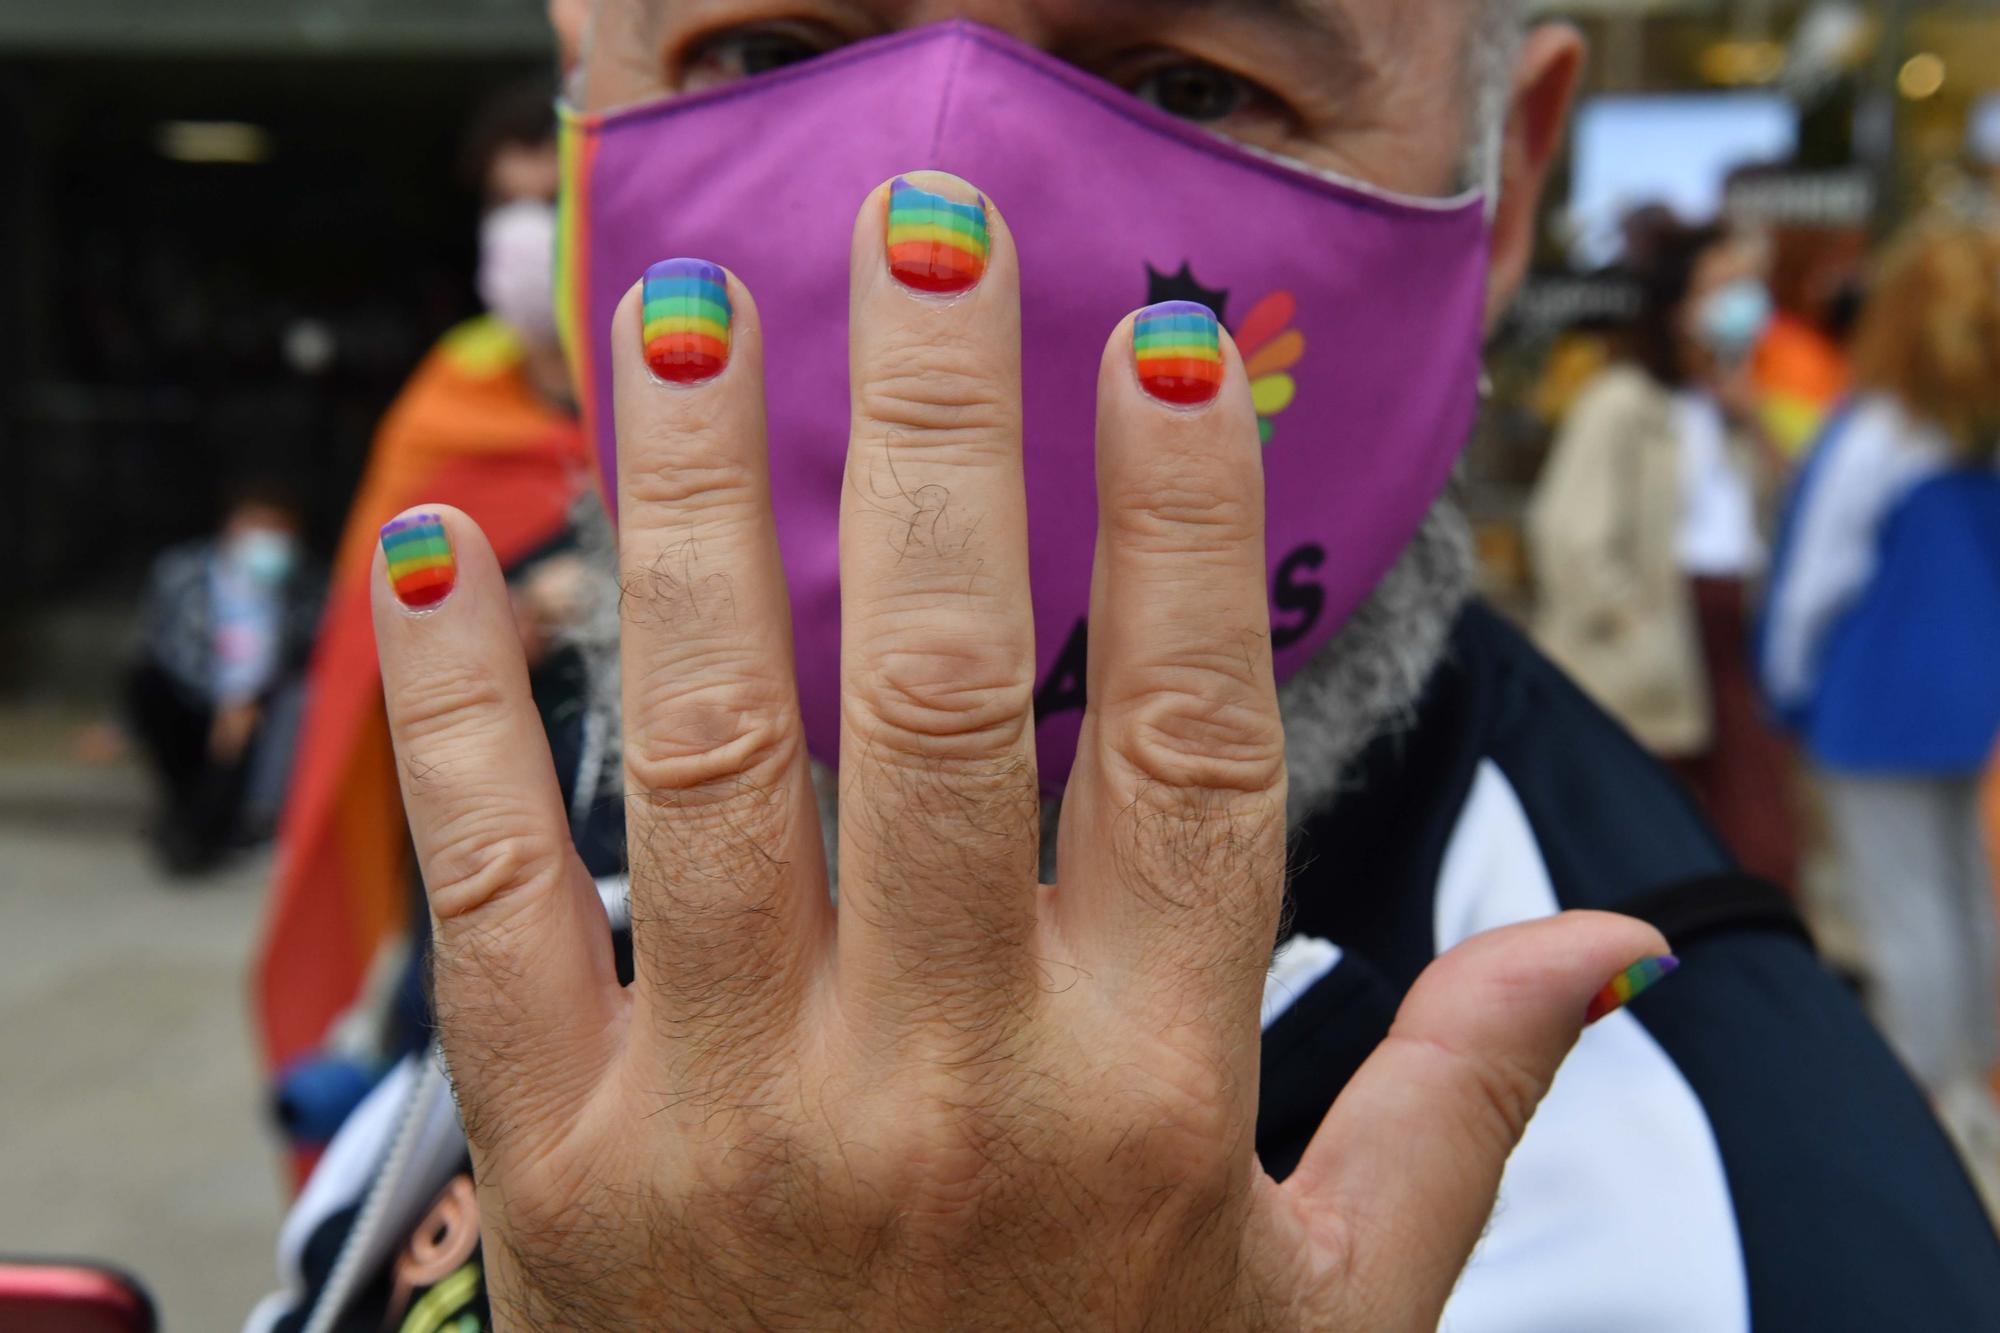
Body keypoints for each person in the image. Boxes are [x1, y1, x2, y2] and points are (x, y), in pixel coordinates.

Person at [254, 5, 2000, 1330]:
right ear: (587, 85)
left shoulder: (1755, 1227)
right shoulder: (569, 805)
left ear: (1511, 178)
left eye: (1185, 82)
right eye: (766, 48)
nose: (927, 220)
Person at [251, 80, 598, 1140]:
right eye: (504, 206)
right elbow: (369, 636)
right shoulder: (449, 399)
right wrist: (483, 617)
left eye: (553, 201)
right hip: (469, 831)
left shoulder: (686, 380)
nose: (526, 235)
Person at [1760, 217, 2000, 1108]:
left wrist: (1787, 684)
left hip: (1871, 698)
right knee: (1970, 896)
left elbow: (1816, 583)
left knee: (1904, 914)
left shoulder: (1872, 433)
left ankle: (1928, 1103)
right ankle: (1978, 1085)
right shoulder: (1981, 433)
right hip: (1974, 698)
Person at [1528, 222, 1799, 890]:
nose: (1744, 300)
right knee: (1648, 847)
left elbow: (1781, 519)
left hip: (1730, 640)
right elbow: (1569, 532)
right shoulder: (1621, 401)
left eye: (1749, 285)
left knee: (1761, 845)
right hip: (1658, 646)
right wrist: (1634, 626)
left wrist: (1752, 420)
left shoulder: (1728, 407)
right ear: (1678, 302)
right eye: (1724, 285)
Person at [126, 485, 319, 875]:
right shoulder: (182, 572)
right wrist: (226, 698)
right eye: (256, 524)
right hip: (194, 695)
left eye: (276, 527)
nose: (265, 537)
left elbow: (307, 651)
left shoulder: (305, 585)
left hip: (263, 703)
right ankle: (190, 829)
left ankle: (213, 833)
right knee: (148, 686)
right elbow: (164, 644)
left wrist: (249, 697)